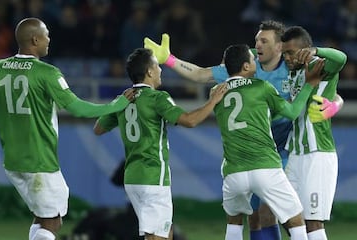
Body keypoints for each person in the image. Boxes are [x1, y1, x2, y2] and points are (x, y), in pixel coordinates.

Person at [144, 20, 344, 240]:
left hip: (284, 148)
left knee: (276, 213)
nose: (257, 45)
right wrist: (169, 60)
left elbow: (327, 86)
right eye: (257, 39)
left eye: (264, 41)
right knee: (260, 215)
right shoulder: (248, 64)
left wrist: (335, 104)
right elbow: (201, 74)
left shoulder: (293, 64)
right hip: (259, 151)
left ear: (280, 47)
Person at [0, 18, 135, 240]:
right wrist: (116, 105)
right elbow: (79, 109)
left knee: (43, 217)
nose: (49, 39)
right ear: (34, 39)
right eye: (46, 35)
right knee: (52, 221)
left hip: (12, 160)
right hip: (39, 160)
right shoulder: (47, 73)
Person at [93, 47, 228, 240]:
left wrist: (116, 105)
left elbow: (98, 129)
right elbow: (190, 120)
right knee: (157, 237)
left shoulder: (123, 100)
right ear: (149, 71)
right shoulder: (158, 98)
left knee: (164, 232)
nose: (161, 70)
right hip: (153, 177)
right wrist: (213, 101)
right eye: (157, 66)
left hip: (132, 178)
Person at [214, 44, 324, 240]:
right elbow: (291, 112)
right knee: (296, 220)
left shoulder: (216, 91)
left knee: (234, 222)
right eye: (251, 58)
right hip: (264, 166)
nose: (255, 59)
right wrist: (309, 84)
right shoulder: (262, 87)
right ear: (246, 67)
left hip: (233, 170)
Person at [281, 26, 347, 240]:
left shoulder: (318, 67)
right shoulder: (291, 73)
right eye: (284, 53)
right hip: (295, 153)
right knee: (287, 216)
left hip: (317, 153)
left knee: (313, 222)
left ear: (304, 51)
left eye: (291, 52)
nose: (287, 57)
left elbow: (341, 58)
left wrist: (316, 51)